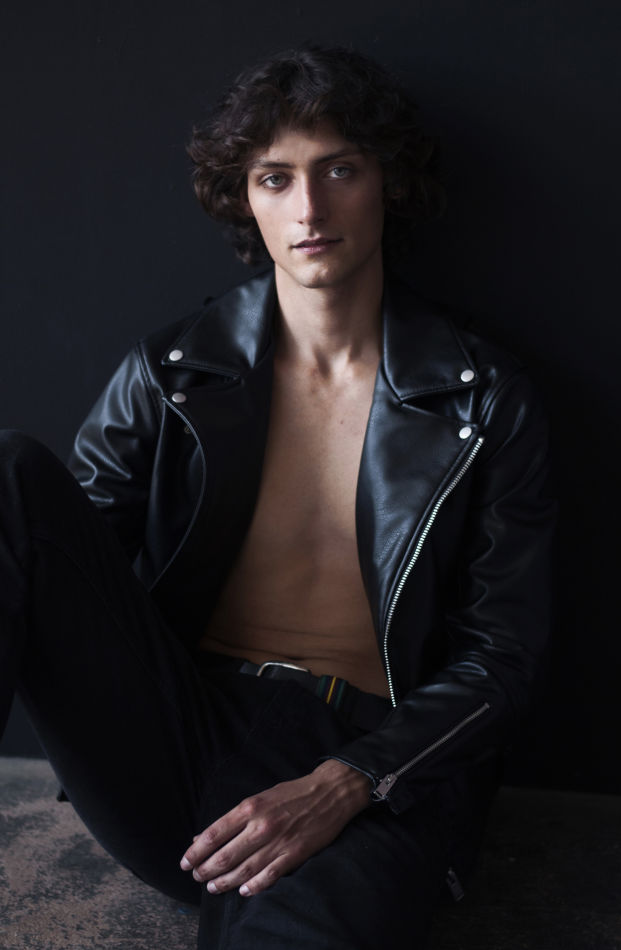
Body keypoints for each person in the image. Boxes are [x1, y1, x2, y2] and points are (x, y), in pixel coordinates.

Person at [0, 45, 554, 948]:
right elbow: (62, 566)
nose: (309, 209)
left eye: (339, 170)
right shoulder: (171, 373)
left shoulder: (484, 399)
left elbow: (504, 657)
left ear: (388, 183)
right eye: (275, 178)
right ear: (244, 199)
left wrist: (352, 781)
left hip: (369, 759)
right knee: (9, 475)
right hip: (179, 733)